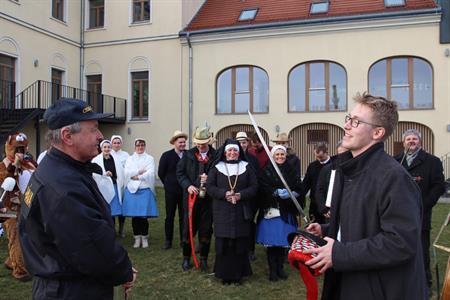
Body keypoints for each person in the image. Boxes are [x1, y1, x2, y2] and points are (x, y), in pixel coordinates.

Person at [304, 93, 426, 300]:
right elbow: (363, 223)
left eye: (356, 121)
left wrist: (339, 254)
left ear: (378, 132)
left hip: (380, 289)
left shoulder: (393, 177)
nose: (347, 126)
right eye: (348, 119)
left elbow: (401, 243)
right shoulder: (348, 169)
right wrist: (327, 229)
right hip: (349, 281)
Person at [18, 98, 136, 299]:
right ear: (67, 136)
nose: (100, 136)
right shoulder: (63, 187)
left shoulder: (57, 169)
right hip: (71, 290)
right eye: (93, 129)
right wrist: (123, 270)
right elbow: (92, 247)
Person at [394, 128, 445, 292]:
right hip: (398, 215)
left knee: (421, 250)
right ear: (403, 142)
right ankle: (401, 280)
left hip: (421, 214)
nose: (411, 141)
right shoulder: (396, 161)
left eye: (414, 139)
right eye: (408, 139)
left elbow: (438, 186)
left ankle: (424, 283)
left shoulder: (433, 161)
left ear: (420, 142)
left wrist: (425, 204)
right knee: (398, 247)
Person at [206, 139, 258, 285]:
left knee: (239, 243)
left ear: (239, 152)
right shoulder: (216, 167)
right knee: (224, 243)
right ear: (225, 152)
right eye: (230, 150)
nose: (232, 153)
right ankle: (224, 275)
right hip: (222, 210)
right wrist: (224, 194)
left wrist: (240, 195)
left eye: (235, 150)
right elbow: (210, 186)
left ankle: (238, 275)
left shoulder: (246, 167)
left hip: (241, 210)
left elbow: (254, 187)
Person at [256, 145, 304, 281]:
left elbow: (299, 187)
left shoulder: (291, 170)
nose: (280, 157)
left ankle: (280, 269)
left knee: (283, 241)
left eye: (282, 154)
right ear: (273, 156)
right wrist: (274, 192)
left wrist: (292, 193)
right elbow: (262, 188)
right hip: (271, 211)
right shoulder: (267, 170)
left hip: (286, 212)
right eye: (277, 155)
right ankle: (273, 271)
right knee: (272, 244)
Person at [176, 126, 216, 272]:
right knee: (188, 230)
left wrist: (210, 178)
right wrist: (187, 186)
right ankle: (186, 258)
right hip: (191, 199)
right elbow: (180, 173)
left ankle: (203, 259)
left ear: (209, 141)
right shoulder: (188, 155)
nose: (200, 146)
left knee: (206, 230)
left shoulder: (215, 155)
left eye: (203, 144)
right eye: (198, 143)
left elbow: (219, 174)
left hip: (208, 200)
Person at [0, 132, 36, 282]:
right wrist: (14, 166)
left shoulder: (30, 163)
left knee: (28, 236)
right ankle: (19, 270)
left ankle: (12, 261)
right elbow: (7, 181)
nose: (20, 153)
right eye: (17, 149)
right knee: (16, 238)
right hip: (10, 208)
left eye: (23, 149)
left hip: (28, 205)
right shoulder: (3, 165)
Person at [122, 138, 158, 249]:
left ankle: (144, 238)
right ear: (135, 146)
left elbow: (151, 172)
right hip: (132, 189)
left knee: (143, 216)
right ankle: (137, 238)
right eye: (138, 145)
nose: (140, 147)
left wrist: (138, 176)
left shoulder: (149, 158)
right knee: (135, 217)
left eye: (142, 145)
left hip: (144, 188)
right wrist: (138, 171)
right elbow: (126, 172)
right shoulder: (130, 159)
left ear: (145, 146)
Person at [158, 130, 187, 250]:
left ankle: (183, 240)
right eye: (180, 142)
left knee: (183, 216)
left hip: (185, 191)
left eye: (184, 142)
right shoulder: (166, 156)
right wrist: (168, 184)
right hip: (171, 192)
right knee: (169, 216)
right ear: (174, 143)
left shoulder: (188, 155)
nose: (182, 144)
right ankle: (168, 240)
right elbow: (161, 173)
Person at [92, 140, 125, 235]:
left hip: (114, 187)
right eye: (104, 147)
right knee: (106, 211)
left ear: (111, 148)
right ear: (101, 148)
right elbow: (94, 174)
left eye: (108, 147)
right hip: (103, 189)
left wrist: (114, 175)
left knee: (114, 211)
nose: (107, 149)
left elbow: (120, 172)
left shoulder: (115, 159)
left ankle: (115, 230)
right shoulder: (96, 160)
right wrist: (104, 174)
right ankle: (109, 231)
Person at [236, 131, 259, 261]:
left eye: (244, 142)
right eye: (239, 142)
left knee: (250, 224)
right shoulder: (231, 157)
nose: (242, 145)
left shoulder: (253, 159)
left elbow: (256, 178)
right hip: (235, 198)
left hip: (250, 198)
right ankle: (239, 249)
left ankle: (250, 250)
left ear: (247, 143)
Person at [315, 141, 348, 220]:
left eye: (346, 154)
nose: (343, 157)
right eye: (340, 154)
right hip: (331, 212)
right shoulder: (328, 169)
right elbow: (319, 190)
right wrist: (324, 209)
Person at [302, 142, 330, 224]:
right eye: (317, 157)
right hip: (314, 204)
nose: (319, 159)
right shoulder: (312, 166)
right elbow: (306, 183)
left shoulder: (333, 165)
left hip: (327, 204)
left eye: (321, 157)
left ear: (326, 152)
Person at [110, 135, 129, 237]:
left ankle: (121, 229)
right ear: (111, 144)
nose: (116, 144)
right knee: (112, 207)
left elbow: (128, 168)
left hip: (122, 184)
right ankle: (112, 229)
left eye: (118, 143)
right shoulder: (108, 153)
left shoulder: (126, 155)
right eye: (115, 143)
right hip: (111, 184)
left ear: (121, 144)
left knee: (121, 208)